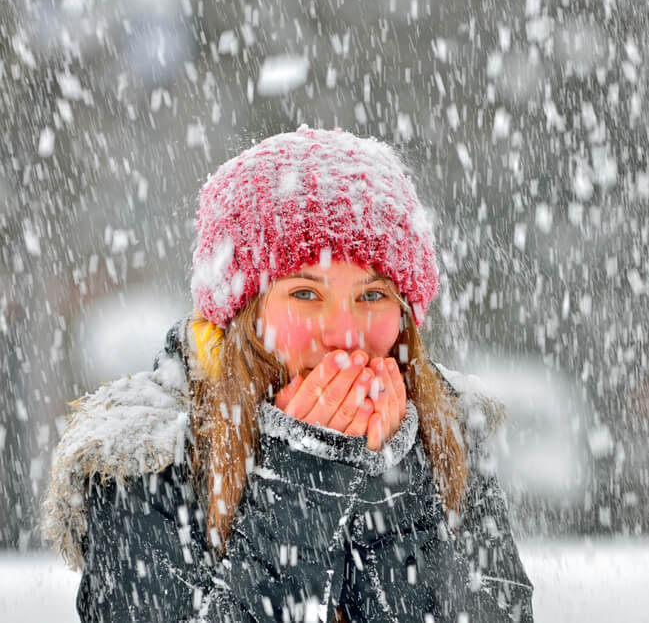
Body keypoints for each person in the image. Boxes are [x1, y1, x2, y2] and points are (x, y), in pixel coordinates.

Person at [42, 126, 533, 622]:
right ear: (242, 315)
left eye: (372, 295)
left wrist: (393, 485)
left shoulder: (444, 431)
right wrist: (302, 481)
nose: (345, 334)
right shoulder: (147, 461)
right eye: (305, 293)